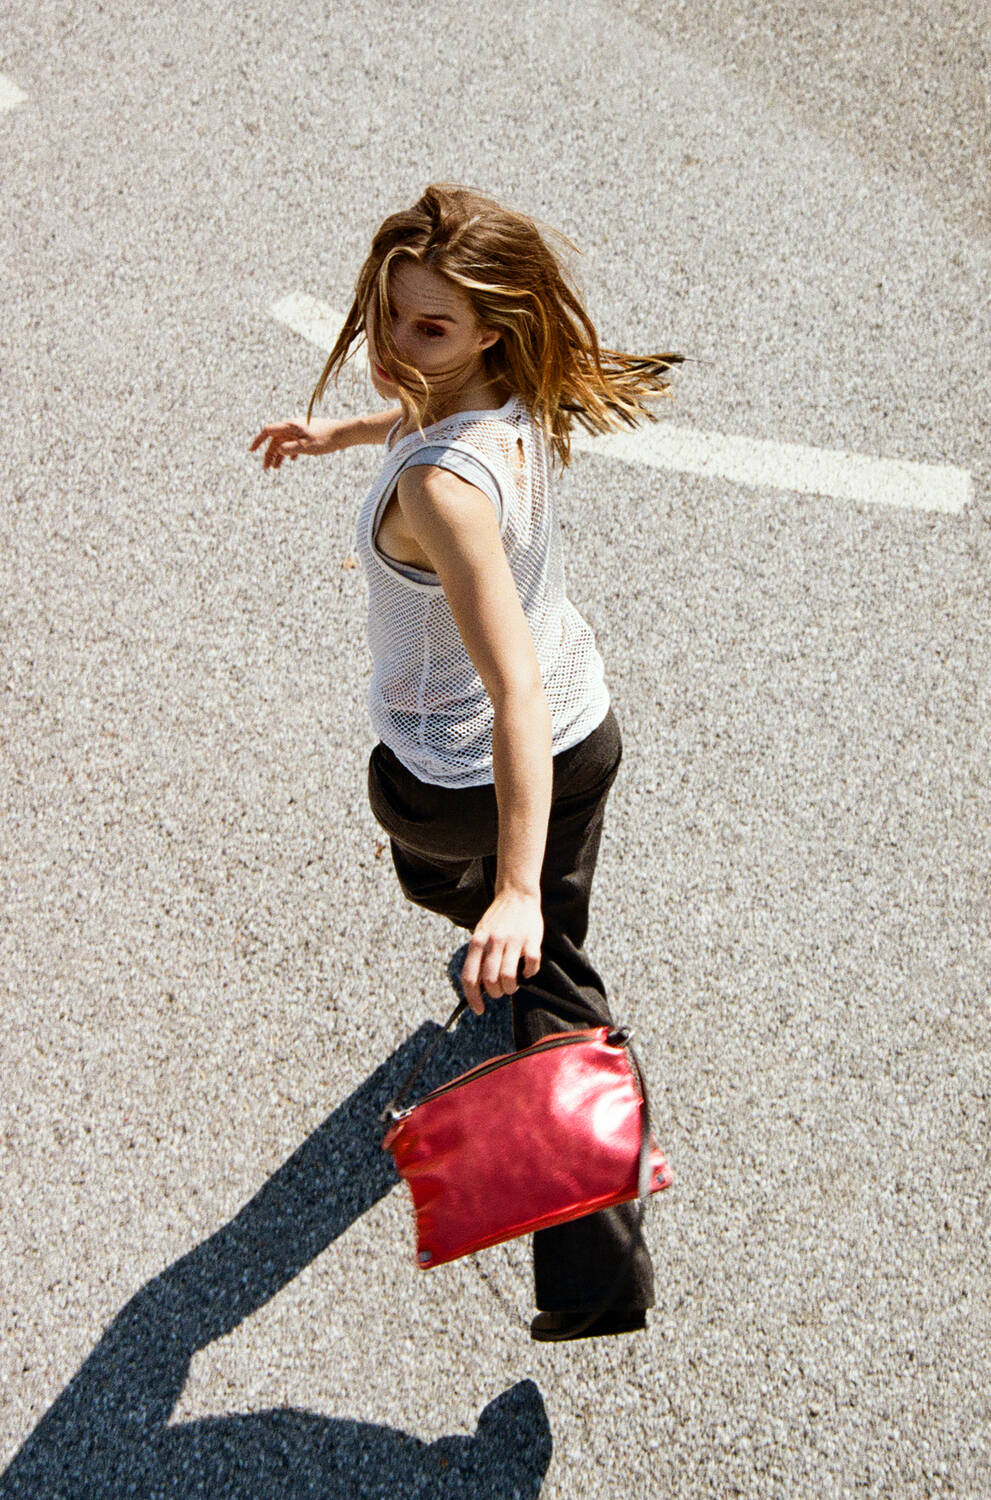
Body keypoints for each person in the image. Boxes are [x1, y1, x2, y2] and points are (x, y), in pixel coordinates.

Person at [251, 184, 680, 1341]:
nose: (394, 344)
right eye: (390, 316)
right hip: (586, 740)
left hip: (465, 774)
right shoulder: (506, 396)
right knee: (545, 967)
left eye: (426, 327)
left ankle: (594, 1224)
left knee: (502, 936)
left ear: (490, 325)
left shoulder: (442, 488)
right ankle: (592, 1231)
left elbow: (511, 698)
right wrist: (331, 432)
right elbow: (422, 423)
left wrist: (512, 889)